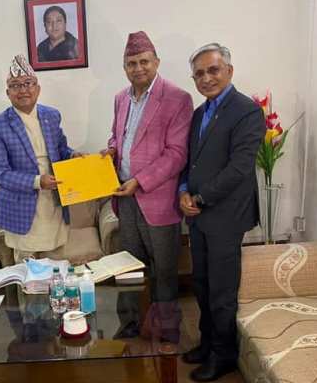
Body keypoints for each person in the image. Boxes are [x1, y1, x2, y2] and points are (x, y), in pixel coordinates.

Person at [178, 43, 265, 382]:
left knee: (222, 291)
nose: (206, 78)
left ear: (229, 71)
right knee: (201, 283)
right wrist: (183, 191)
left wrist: (200, 198)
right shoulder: (199, 113)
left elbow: (239, 168)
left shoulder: (247, 111)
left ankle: (224, 354)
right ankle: (207, 343)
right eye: (199, 74)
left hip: (226, 215)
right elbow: (191, 161)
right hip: (198, 213)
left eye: (213, 70)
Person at [101, 31, 193, 336]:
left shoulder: (178, 98)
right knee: (129, 266)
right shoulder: (120, 99)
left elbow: (177, 154)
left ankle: (167, 330)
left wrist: (139, 181)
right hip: (125, 198)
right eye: (131, 63)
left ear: (157, 62)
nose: (138, 68)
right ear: (124, 67)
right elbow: (118, 137)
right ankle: (130, 324)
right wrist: (111, 150)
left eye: (144, 61)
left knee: (163, 270)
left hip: (158, 200)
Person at [0, 54, 80, 262]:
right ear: (8, 92)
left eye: (28, 83)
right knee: (28, 272)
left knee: (58, 266)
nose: (23, 90)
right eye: (15, 85)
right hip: (21, 208)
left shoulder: (51, 115)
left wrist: (73, 155)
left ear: (37, 88)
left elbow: (61, 149)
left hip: (54, 202)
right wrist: (37, 181)